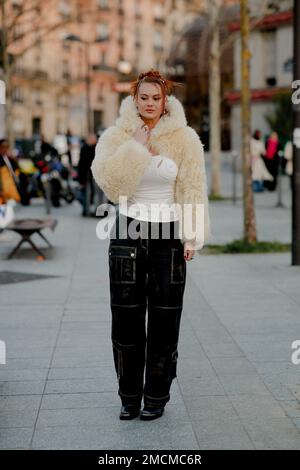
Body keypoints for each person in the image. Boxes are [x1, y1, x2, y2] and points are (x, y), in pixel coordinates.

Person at [91, 69, 211, 421]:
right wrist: (136, 149)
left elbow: (192, 187)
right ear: (134, 98)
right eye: (142, 97)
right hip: (127, 234)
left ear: (165, 100)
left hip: (168, 237)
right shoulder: (117, 135)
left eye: (155, 98)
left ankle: (156, 397)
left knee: (164, 322)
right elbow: (111, 185)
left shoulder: (184, 139)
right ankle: (129, 396)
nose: (148, 103)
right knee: (125, 323)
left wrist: (192, 235)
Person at [77, 133, 97, 216]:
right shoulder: (84, 148)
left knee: (96, 194)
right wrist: (80, 179)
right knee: (85, 194)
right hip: (86, 176)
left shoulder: (98, 148)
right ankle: (86, 210)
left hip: (95, 175)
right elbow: (81, 164)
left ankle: (96, 211)